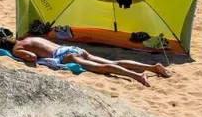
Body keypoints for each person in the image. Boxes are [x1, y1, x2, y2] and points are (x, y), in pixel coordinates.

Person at [11, 24, 171, 87]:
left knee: (102, 68)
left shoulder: (18, 47)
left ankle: (137, 76)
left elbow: (31, 57)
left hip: (66, 56)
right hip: (72, 48)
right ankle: (153, 67)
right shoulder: (28, 38)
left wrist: (20, 56)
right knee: (113, 61)